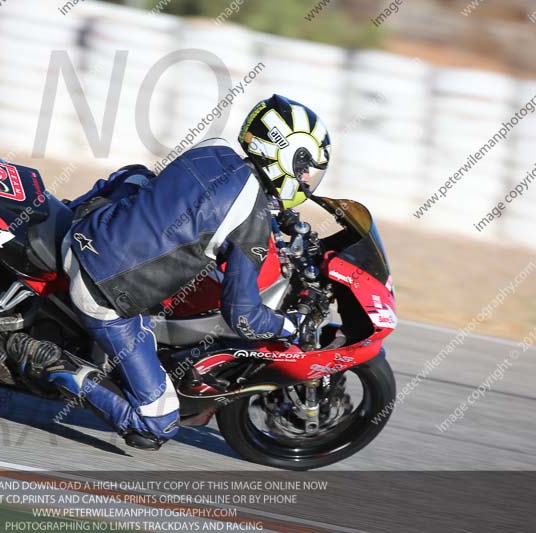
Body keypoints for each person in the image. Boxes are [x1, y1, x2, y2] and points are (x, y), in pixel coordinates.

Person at [19, 95, 332, 450]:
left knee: (138, 178)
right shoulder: (250, 222)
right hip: (105, 292)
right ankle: (53, 364)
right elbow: (243, 317)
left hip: (88, 232)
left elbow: (196, 205)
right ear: (286, 157)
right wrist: (287, 325)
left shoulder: (214, 150)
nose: (308, 180)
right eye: (307, 169)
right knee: (157, 426)